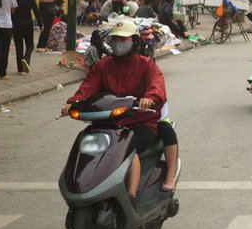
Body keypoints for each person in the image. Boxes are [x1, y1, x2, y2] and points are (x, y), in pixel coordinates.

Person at [63, 19, 178, 196]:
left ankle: (132, 195)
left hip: (140, 122)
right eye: (115, 39)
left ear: (134, 41)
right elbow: (88, 87)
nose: (118, 43)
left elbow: (156, 85)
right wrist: (74, 102)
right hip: (108, 124)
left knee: (128, 149)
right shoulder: (103, 66)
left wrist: (149, 98)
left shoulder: (146, 65)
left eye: (123, 39)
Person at [10, 0, 37, 74]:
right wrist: (41, 23)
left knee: (19, 46)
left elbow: (10, 12)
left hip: (16, 25)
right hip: (28, 24)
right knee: (30, 45)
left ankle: (20, 70)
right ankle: (26, 59)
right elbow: (36, 11)